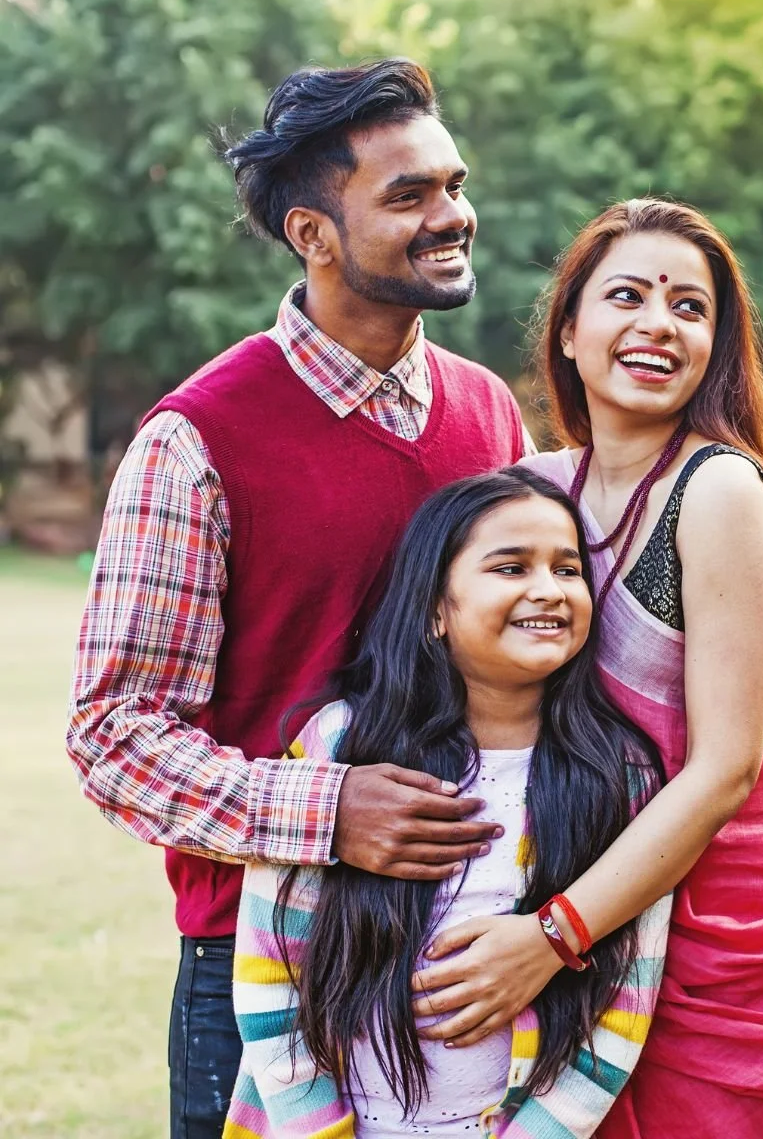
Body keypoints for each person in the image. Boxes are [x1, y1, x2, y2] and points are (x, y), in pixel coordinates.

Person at [65, 56, 763, 1136]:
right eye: (409, 196)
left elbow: (558, 603)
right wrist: (331, 811)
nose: (452, 217)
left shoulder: (487, 418)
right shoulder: (196, 441)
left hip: (509, 942)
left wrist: (755, 605)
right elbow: (113, 737)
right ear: (312, 234)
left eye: (454, 185)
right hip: (280, 956)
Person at [410, 199, 763, 1137]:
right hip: (588, 891)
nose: (659, 323)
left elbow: (725, 771)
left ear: (716, 345)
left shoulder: (720, 489)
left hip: (714, 924)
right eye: (628, 296)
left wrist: (550, 937)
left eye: (690, 307)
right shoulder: (539, 493)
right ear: (569, 330)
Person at [225, 468, 672, 1139]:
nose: (547, 590)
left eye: (568, 569)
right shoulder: (342, 747)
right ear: (436, 608)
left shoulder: (622, 777)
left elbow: (622, 1008)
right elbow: (271, 977)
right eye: (511, 567)